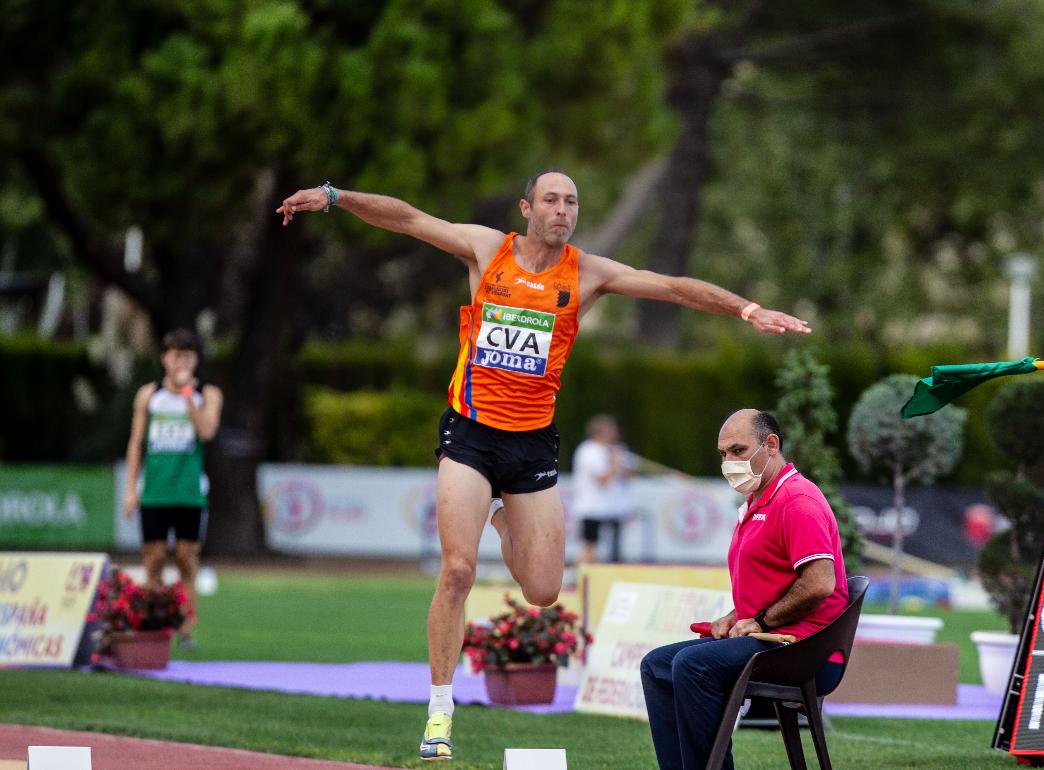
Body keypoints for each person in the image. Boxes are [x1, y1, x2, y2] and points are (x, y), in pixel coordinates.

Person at [276, 171, 811, 762]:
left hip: (532, 444)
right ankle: (439, 708)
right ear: (527, 207)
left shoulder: (588, 274)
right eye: (551, 200)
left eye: (572, 201)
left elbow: (673, 287)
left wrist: (747, 308)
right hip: (470, 432)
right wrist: (335, 197)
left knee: (544, 590)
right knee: (457, 571)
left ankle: (503, 522)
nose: (563, 210)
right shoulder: (487, 249)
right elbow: (407, 218)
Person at [640, 409, 849, 770]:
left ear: (771, 445)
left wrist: (762, 621)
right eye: (723, 454)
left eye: (738, 450)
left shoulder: (798, 500)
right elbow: (779, 583)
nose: (729, 462)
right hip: (775, 640)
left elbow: (819, 583)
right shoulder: (759, 500)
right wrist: (736, 616)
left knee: (692, 665)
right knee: (656, 665)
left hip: (807, 650)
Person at [123, 328, 223, 650]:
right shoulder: (148, 395)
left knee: (185, 559)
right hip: (154, 492)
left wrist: (186, 397)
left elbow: (207, 431)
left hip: (189, 493)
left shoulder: (207, 394)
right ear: (165, 358)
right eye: (175, 354)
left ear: (195, 360)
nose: (181, 361)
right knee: (152, 560)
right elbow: (136, 443)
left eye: (188, 355)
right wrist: (130, 489)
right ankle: (153, 625)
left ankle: (186, 627)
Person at [570, 414, 635, 564]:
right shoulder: (588, 451)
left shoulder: (618, 449)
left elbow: (629, 477)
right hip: (592, 507)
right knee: (590, 544)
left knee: (615, 547)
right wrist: (614, 462)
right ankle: (581, 575)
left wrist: (622, 465)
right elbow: (601, 479)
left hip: (613, 508)